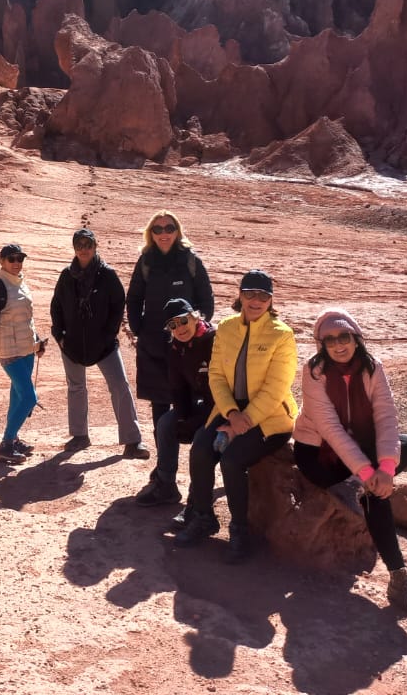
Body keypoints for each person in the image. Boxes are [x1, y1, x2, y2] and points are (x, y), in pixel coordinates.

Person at [294, 307, 407, 615]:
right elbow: (331, 429)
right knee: (374, 490)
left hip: (358, 447)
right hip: (319, 453)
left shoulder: (372, 367)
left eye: (344, 337)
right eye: (330, 340)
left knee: (406, 445)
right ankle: (399, 574)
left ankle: (397, 573)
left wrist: (386, 468)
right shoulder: (314, 371)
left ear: (356, 338)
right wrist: (367, 472)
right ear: (321, 345)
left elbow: (386, 415)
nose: (338, 345)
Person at [174, 269, 298, 562]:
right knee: (201, 450)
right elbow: (216, 375)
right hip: (231, 408)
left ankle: (240, 531)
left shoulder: (282, 335)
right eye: (250, 294)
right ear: (240, 295)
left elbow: (276, 388)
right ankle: (203, 517)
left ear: (270, 301)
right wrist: (231, 413)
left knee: (232, 460)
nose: (256, 301)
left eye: (263, 296)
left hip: (270, 417)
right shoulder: (227, 327)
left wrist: (244, 421)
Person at [50, 228, 147, 458]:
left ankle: (132, 441)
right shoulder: (66, 276)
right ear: (74, 248)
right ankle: (80, 436)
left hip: (104, 345)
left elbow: (118, 305)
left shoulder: (107, 275)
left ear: (95, 247)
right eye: (79, 245)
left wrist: (108, 335)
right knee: (76, 387)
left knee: (120, 385)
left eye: (88, 245)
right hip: (72, 343)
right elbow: (56, 306)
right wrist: (59, 335)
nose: (83, 249)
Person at [125, 211, 214, 438]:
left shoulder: (191, 261)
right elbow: (134, 298)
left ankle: (194, 455)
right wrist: (139, 329)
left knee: (190, 401)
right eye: (158, 229)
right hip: (154, 344)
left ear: (177, 232)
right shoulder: (146, 262)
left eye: (169, 228)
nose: (163, 234)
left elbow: (206, 300)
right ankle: (164, 457)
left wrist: (197, 331)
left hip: (187, 345)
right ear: (151, 234)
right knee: (159, 404)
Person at [136, 296, 214, 508]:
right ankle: (166, 485)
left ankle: (197, 500)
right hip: (198, 403)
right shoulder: (176, 348)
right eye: (173, 325)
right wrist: (182, 417)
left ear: (195, 317)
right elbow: (178, 388)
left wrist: (195, 419)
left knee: (201, 438)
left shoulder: (214, 341)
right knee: (165, 424)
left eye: (183, 320)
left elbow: (221, 391)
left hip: (221, 407)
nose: (179, 328)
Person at [0, 242, 46, 463]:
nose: (16, 263)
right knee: (29, 397)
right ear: (2, 261)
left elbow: (27, 319)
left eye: (20, 258)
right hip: (9, 350)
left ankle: (14, 439)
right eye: (12, 259)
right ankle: (6, 443)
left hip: (27, 348)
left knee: (17, 397)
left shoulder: (21, 283)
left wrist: (37, 341)